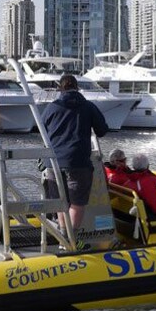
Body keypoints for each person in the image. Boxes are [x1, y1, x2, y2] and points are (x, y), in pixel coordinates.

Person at [41, 74, 109, 232]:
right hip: (78, 162)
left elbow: (41, 130)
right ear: (77, 87)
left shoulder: (52, 107)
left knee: (61, 202)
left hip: (53, 162)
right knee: (77, 203)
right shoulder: (88, 106)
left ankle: (63, 234)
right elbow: (102, 131)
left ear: (60, 88)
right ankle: (72, 239)